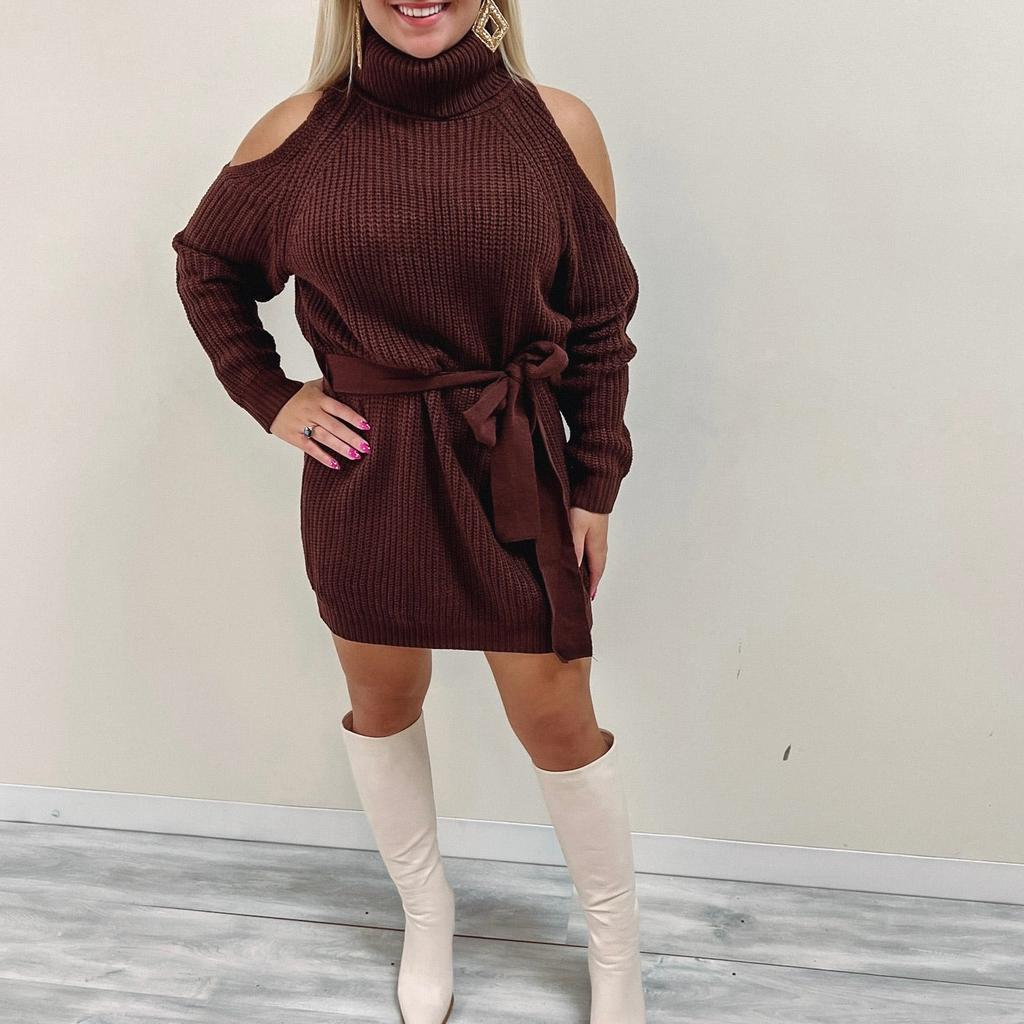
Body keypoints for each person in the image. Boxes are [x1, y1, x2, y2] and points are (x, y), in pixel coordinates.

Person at [170, 2, 644, 1021]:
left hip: (514, 462)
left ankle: (616, 950)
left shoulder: (557, 125)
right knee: (383, 701)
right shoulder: (302, 132)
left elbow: (601, 323)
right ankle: (427, 914)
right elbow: (207, 265)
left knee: (558, 716)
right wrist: (270, 395)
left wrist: (594, 478)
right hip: (369, 473)